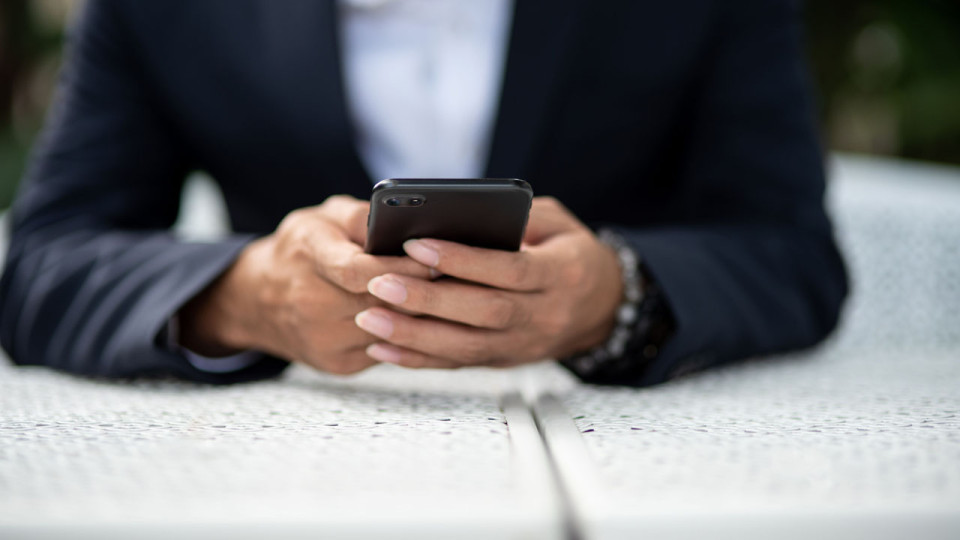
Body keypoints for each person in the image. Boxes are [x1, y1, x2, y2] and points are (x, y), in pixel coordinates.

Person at [0, 0, 847, 387]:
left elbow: (793, 253)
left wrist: (616, 297)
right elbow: (43, 263)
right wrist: (249, 299)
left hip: (634, 466)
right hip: (285, 465)